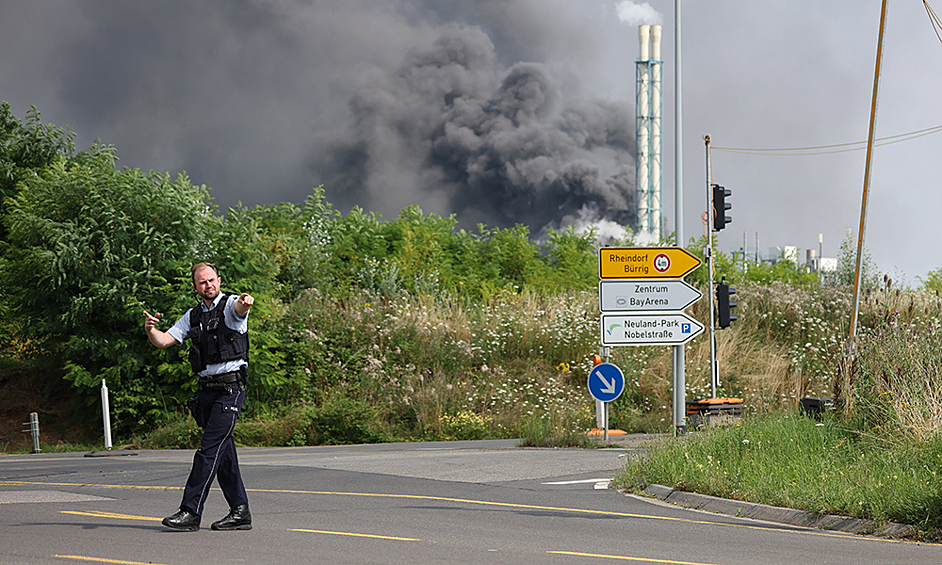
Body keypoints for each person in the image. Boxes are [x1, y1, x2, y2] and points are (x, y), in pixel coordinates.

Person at [143, 262, 254, 531]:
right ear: (195, 287)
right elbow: (165, 340)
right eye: (203, 282)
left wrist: (245, 303)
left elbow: (240, 310)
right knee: (223, 453)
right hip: (206, 391)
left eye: (212, 280)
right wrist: (150, 330)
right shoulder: (192, 316)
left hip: (230, 390)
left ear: (219, 279)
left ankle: (190, 511)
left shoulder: (230, 305)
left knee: (208, 451)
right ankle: (240, 512)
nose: (209, 285)